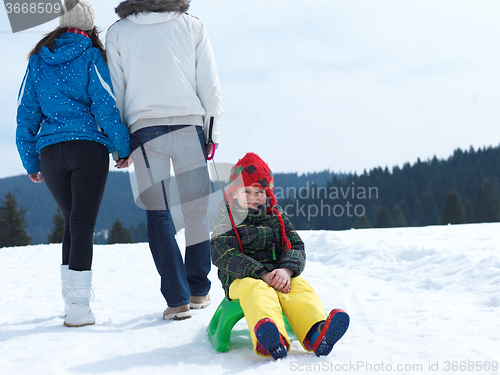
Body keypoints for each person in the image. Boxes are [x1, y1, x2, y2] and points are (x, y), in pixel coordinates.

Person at [106, 0, 224, 320]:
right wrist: (211, 132)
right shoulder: (192, 25)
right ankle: (199, 289)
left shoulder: (118, 32)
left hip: (144, 130)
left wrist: (120, 145)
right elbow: (209, 84)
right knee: (196, 209)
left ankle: (177, 300)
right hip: (189, 126)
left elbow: (115, 91)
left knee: (158, 216)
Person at [16, 0, 131, 327]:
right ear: (89, 25)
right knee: (81, 224)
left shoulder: (38, 59)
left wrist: (29, 159)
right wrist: (122, 147)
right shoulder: (92, 56)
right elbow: (106, 106)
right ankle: (79, 308)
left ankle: (71, 301)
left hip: (50, 154)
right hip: (87, 150)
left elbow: (26, 113)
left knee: (71, 221)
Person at [210, 153, 349, 359]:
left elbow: (295, 245)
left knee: (299, 286)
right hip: (241, 279)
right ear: (233, 192)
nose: (253, 197)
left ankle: (316, 332)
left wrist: (286, 270)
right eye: (246, 191)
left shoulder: (277, 216)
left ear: (268, 193)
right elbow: (222, 252)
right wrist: (261, 273)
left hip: (277, 275)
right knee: (256, 289)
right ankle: (272, 339)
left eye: (259, 191)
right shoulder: (226, 217)